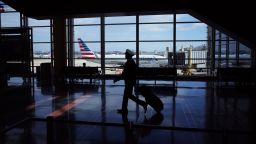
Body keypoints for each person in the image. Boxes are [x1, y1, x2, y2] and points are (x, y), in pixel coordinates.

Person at [113, 49, 147, 114]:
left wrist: (117, 78)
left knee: (128, 96)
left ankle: (142, 104)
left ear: (128, 55)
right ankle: (124, 109)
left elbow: (124, 73)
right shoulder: (130, 62)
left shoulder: (129, 63)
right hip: (130, 82)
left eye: (126, 54)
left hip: (129, 82)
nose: (125, 55)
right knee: (127, 96)